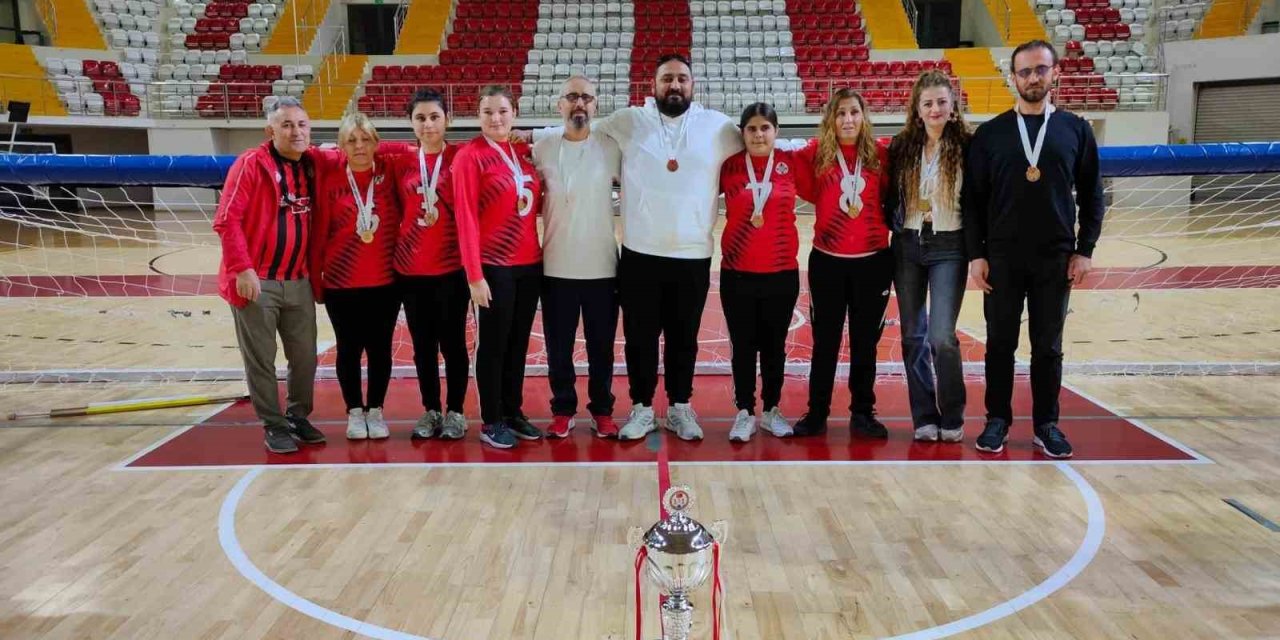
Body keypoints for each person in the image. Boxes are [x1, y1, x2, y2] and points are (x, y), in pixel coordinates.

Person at [539, 54, 743, 441]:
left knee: (684, 338)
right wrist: (525, 136)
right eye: (667, 78)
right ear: (653, 85)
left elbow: (760, 140)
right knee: (640, 338)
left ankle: (680, 406)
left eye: (682, 78)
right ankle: (642, 407)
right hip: (639, 254)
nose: (675, 85)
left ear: (692, 84)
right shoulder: (628, 121)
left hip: (693, 254)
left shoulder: (718, 127)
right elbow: (578, 128)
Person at [964, 40, 1104, 459]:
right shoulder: (990, 134)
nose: (1032, 78)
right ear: (1012, 78)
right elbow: (972, 200)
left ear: (1055, 73)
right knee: (999, 343)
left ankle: (1046, 424)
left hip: (1055, 258)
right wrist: (976, 254)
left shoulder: (1076, 130)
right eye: (1024, 72)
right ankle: (997, 420)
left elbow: (1094, 195)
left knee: (1048, 346)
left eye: (1040, 70)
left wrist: (1085, 249)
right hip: (1002, 257)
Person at [212, 96, 325, 454]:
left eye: (302, 124)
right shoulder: (251, 164)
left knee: (305, 355)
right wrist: (242, 269)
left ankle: (297, 415)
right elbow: (226, 220)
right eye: (287, 125)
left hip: (300, 279)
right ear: (270, 130)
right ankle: (273, 424)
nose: (296, 131)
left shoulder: (313, 165)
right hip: (257, 280)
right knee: (261, 357)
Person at [791, 89, 894, 439]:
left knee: (866, 343)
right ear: (830, 120)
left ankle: (863, 412)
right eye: (840, 114)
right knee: (825, 342)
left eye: (854, 112)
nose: (848, 120)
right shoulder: (814, 156)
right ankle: (816, 412)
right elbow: (776, 157)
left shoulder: (882, 155)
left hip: (873, 263)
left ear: (863, 116)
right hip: (828, 264)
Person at [531, 76, 623, 439]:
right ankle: (563, 409)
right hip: (555, 267)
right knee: (559, 349)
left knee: (602, 348)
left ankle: (602, 410)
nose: (579, 103)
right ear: (559, 105)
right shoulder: (541, 147)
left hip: (602, 267)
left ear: (596, 105)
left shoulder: (611, 147)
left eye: (586, 97)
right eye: (572, 97)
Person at [453, 85, 544, 450]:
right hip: (493, 267)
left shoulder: (522, 154)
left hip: (529, 265)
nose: (496, 118)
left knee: (518, 344)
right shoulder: (469, 157)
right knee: (492, 345)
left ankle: (513, 410)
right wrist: (474, 275)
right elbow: (465, 218)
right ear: (478, 116)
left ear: (515, 114)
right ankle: (492, 419)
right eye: (488, 112)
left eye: (503, 111)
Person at [885, 70, 973, 443]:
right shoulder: (902, 145)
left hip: (950, 244)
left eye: (941, 101)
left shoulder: (969, 145)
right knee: (912, 336)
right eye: (927, 103)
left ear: (952, 106)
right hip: (907, 243)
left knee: (941, 336)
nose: (935, 109)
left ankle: (952, 414)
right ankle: (923, 415)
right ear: (916, 109)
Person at [308, 113, 402, 440]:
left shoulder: (390, 172)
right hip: (340, 283)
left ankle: (375, 410)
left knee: (380, 350)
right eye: (351, 140)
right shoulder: (330, 178)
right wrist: (316, 282)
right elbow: (319, 233)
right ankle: (353, 411)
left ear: (376, 143)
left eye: (366, 140)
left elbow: (410, 149)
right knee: (348, 349)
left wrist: (378, 144)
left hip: (386, 283)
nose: (359, 146)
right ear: (340, 146)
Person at [390, 88, 471, 441]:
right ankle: (430, 410)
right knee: (422, 346)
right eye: (420, 118)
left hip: (452, 269)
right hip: (410, 271)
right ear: (411, 123)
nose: (427, 124)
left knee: (453, 344)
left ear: (447, 120)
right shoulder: (400, 161)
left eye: (434, 117)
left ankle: (455, 411)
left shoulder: (463, 157)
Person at [718, 102, 800, 442]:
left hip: (781, 273)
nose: (758, 134)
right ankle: (743, 411)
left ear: (776, 132)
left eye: (765, 128)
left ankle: (771, 410)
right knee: (743, 344)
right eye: (751, 128)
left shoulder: (792, 163)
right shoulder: (729, 167)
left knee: (774, 345)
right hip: (737, 272)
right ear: (742, 133)